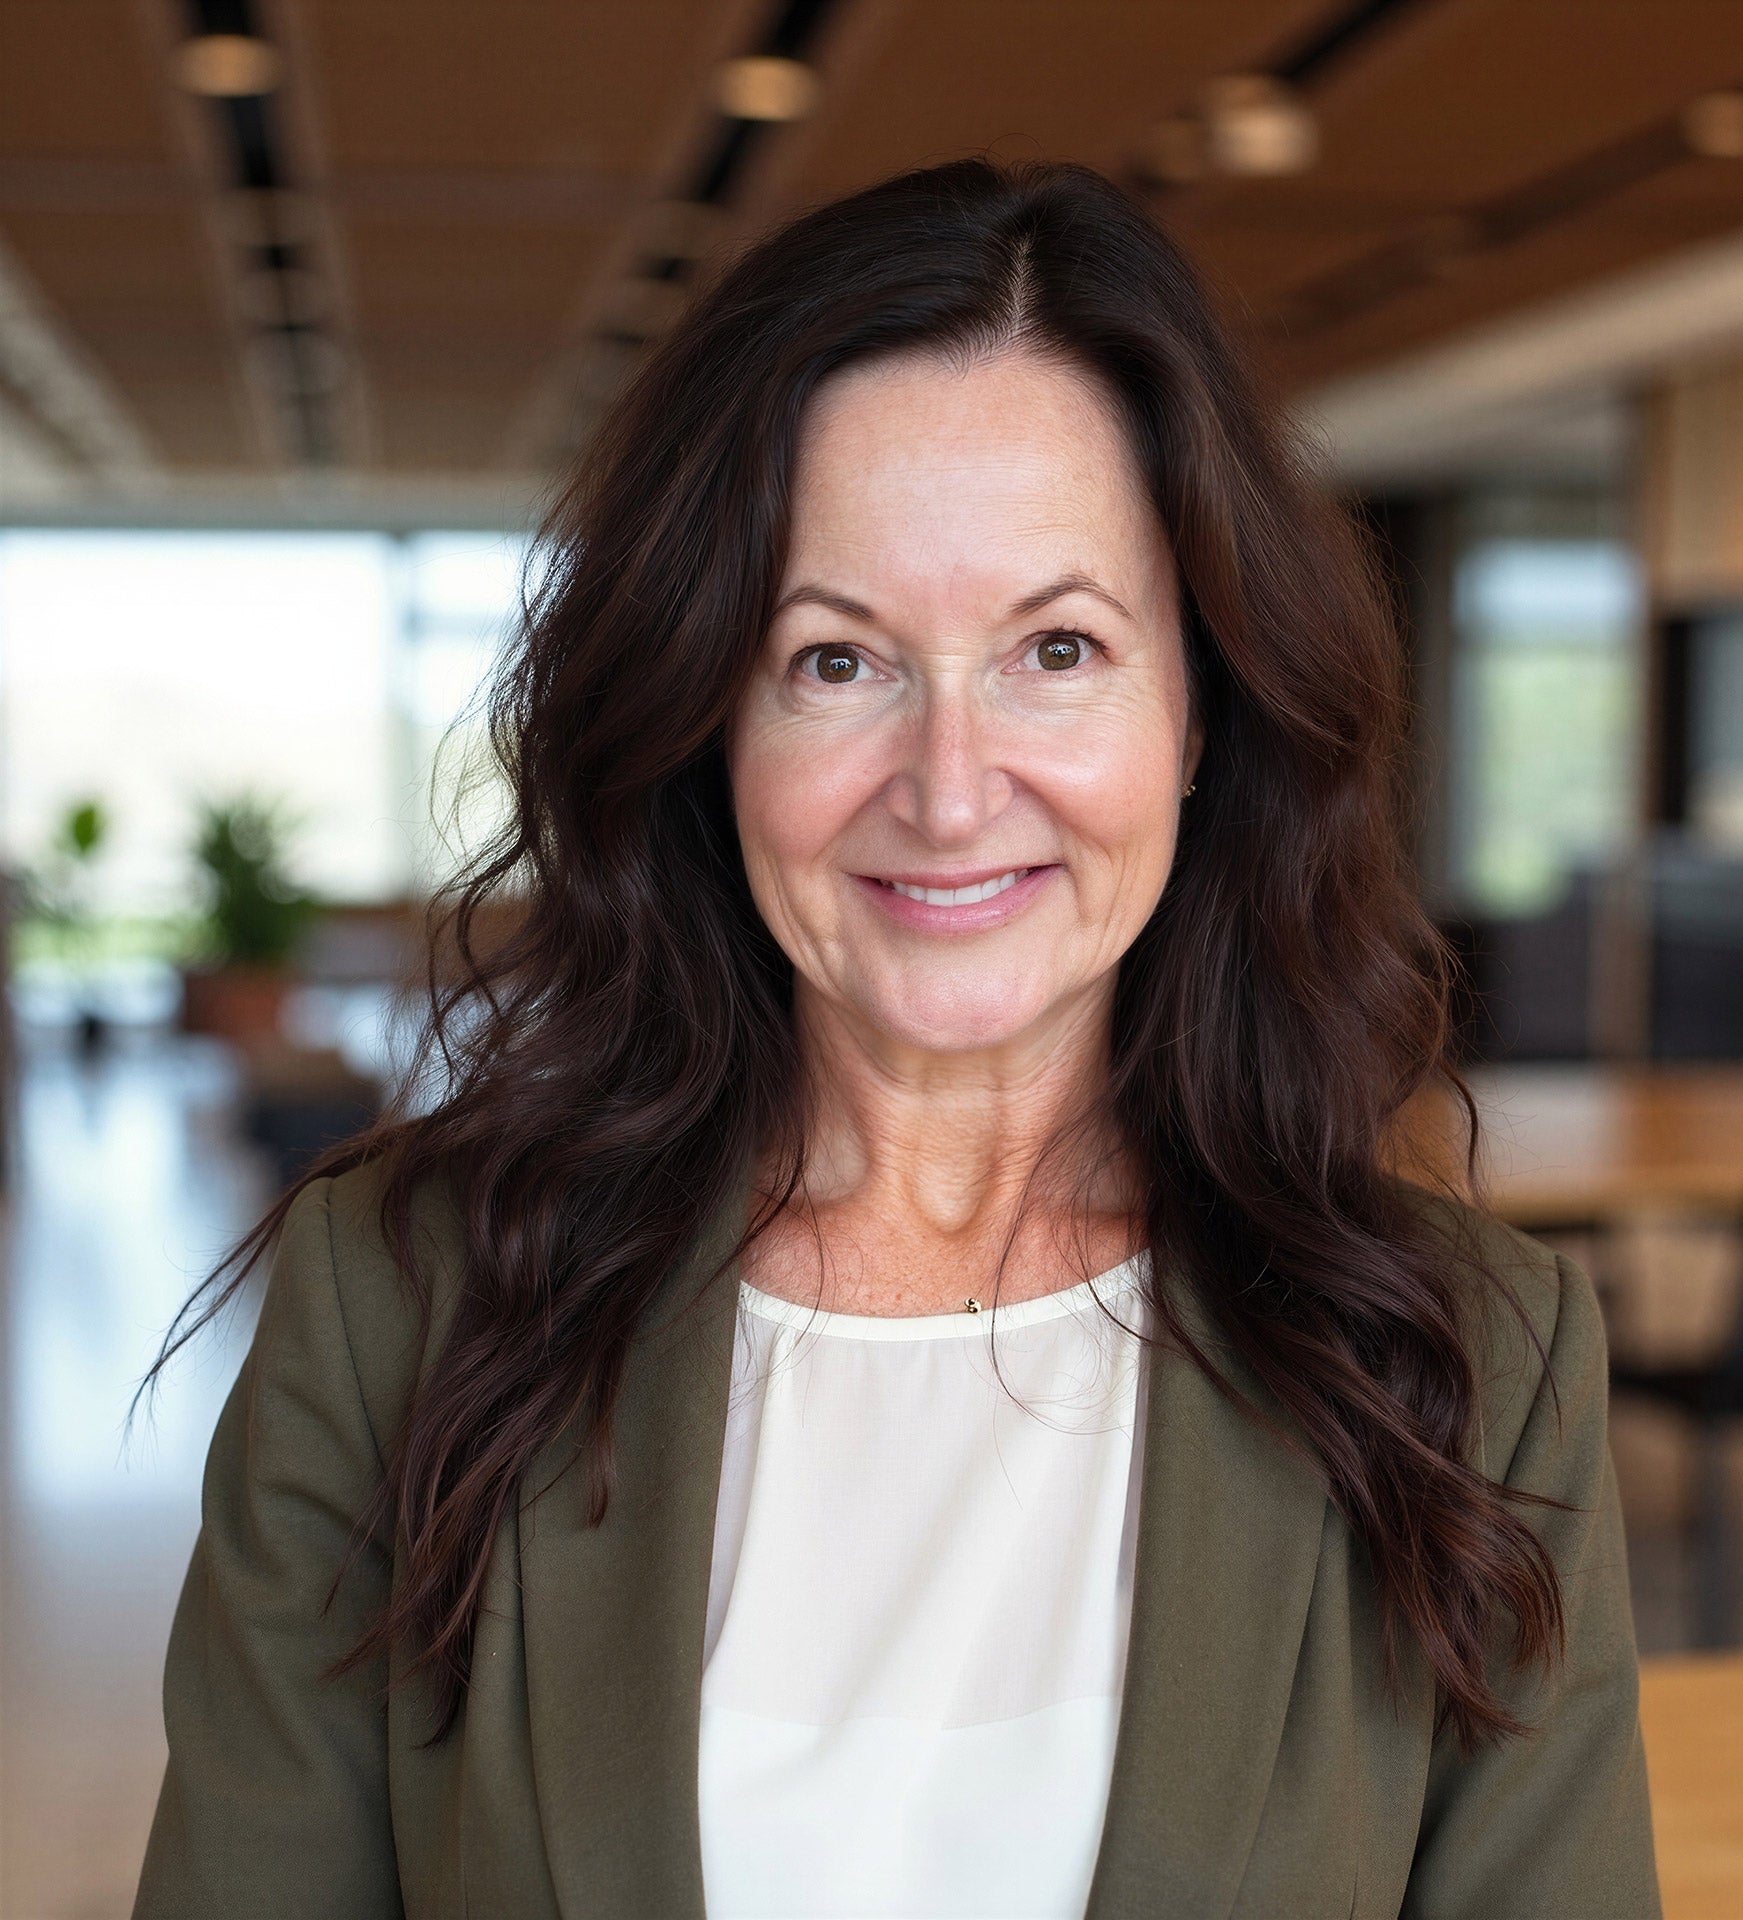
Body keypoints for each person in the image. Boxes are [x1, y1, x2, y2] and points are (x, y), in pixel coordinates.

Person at [133, 159, 1660, 1920]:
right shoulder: (400, 1303)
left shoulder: (1477, 1367)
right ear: (713, 715)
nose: (948, 790)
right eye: (837, 662)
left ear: (1199, 715)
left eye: (1059, 649)